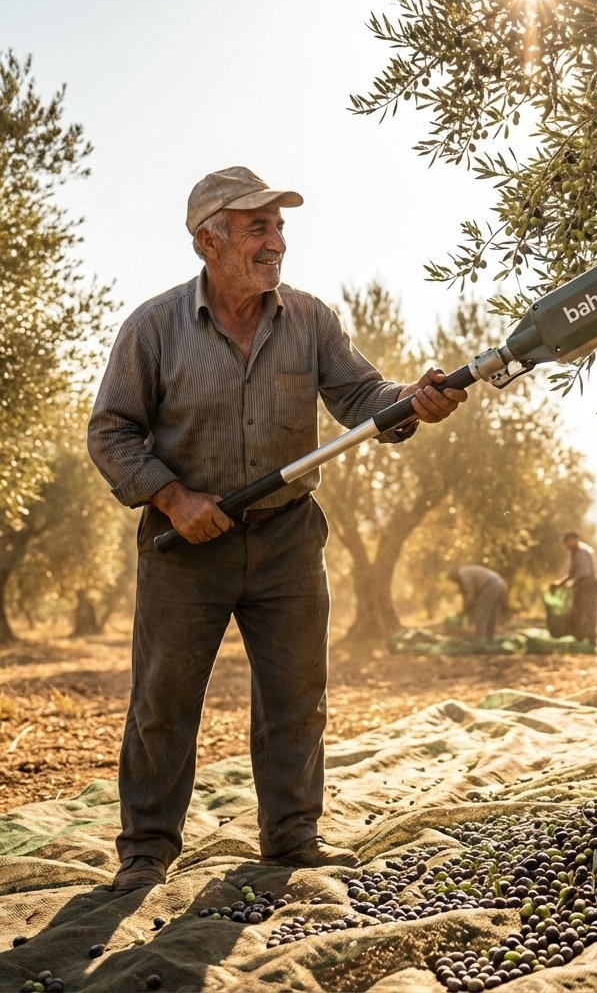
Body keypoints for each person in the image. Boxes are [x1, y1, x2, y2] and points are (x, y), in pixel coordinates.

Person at [87, 166, 467, 893]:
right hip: (184, 547)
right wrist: (171, 497)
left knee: (298, 692)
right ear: (209, 240)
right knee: (164, 697)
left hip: (289, 535)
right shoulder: (154, 327)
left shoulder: (311, 319)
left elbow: (363, 397)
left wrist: (412, 402)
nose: (276, 241)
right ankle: (145, 850)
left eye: (279, 226)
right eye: (258, 226)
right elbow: (111, 432)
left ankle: (292, 838)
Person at [551, 531, 597, 647]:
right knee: (578, 611)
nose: (566, 546)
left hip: (589, 585)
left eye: (567, 542)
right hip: (582, 585)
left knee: (589, 612)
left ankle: (591, 641)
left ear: (574, 540)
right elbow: (572, 573)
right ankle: (579, 637)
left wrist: (573, 582)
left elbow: (584, 572)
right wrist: (560, 583)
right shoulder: (575, 553)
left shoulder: (583, 552)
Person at [447, 564, 509, 640]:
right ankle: (490, 639)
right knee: (492, 615)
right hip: (501, 584)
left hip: (491, 586)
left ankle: (481, 640)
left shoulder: (463, 575)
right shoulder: (465, 573)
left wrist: (466, 608)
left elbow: (470, 595)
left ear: (454, 575)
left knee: (481, 615)